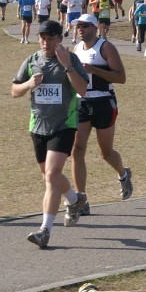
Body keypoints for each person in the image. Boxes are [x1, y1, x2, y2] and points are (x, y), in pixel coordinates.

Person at [12, 20, 90, 248]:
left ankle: (45, 230)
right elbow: (14, 91)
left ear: (59, 39)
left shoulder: (70, 59)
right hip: (38, 125)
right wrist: (28, 84)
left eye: (51, 38)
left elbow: (83, 89)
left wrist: (67, 66)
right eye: (43, 38)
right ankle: (75, 200)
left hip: (64, 125)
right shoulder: (32, 60)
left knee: (52, 175)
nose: (46, 43)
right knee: (50, 175)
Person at [70, 14, 131, 215]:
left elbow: (121, 77)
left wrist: (94, 70)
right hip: (82, 102)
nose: (80, 29)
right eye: (78, 26)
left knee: (106, 153)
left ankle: (123, 174)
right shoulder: (77, 48)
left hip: (104, 102)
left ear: (95, 28)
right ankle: (81, 199)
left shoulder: (105, 47)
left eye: (85, 26)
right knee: (77, 150)